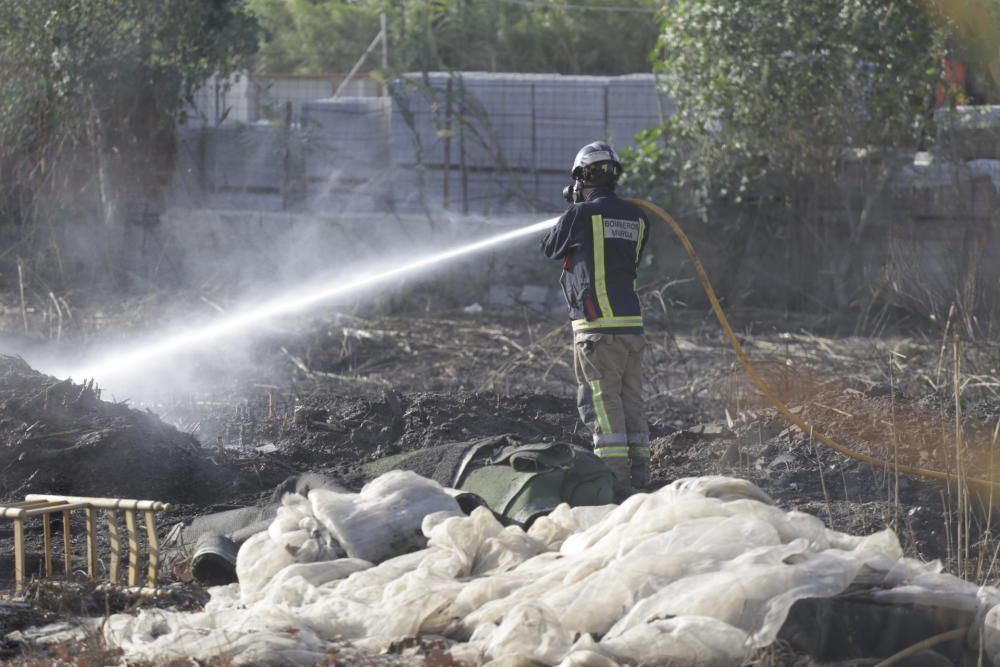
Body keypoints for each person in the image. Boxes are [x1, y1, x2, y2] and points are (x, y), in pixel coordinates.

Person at [540, 141, 650, 492]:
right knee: (630, 397)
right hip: (631, 325)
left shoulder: (580, 215)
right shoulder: (639, 217)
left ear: (584, 176)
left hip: (597, 328)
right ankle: (641, 477)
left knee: (601, 400)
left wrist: (573, 205)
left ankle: (615, 481)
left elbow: (550, 247)